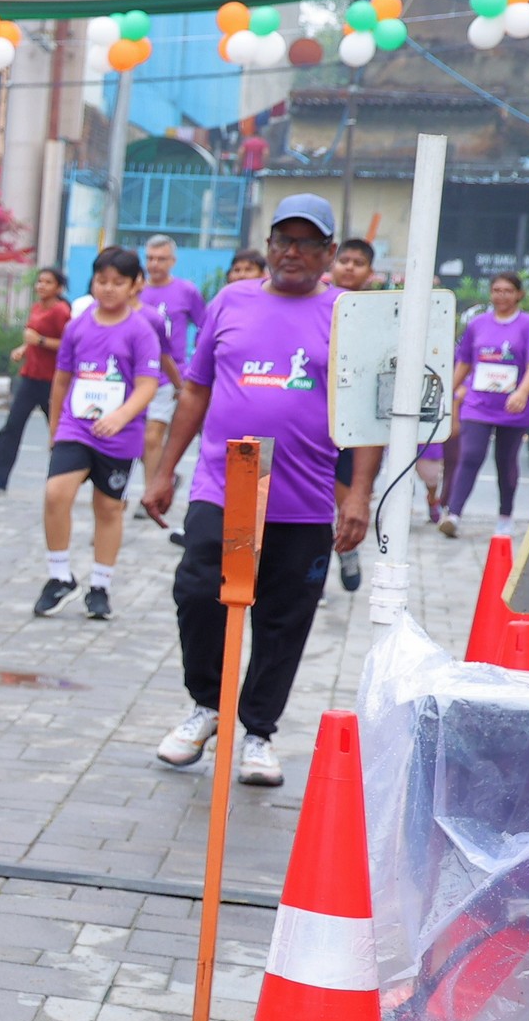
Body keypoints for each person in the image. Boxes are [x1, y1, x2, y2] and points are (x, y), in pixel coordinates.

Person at [142, 194, 382, 789]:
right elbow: (196, 390)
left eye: (306, 243)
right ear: (269, 245)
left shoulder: (348, 314)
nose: (291, 252)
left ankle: (258, 732)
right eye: (282, 240)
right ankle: (207, 705)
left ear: (329, 252)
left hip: (303, 498)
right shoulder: (232, 300)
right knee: (199, 592)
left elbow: (367, 414)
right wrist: (164, 470)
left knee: (283, 618)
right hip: (226, 486)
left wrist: (357, 496)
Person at [36, 248, 165, 620]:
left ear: (134, 285)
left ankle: (100, 585)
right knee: (56, 494)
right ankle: (60, 575)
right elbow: (62, 379)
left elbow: (147, 384)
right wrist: (55, 427)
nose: (108, 289)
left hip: (120, 436)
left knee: (108, 508)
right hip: (76, 427)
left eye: (118, 282)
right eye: (102, 281)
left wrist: (121, 417)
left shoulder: (141, 330)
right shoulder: (77, 326)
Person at [442, 271, 529, 538]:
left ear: (519, 294)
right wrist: (447, 392)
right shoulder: (478, 324)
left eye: (508, 291)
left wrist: (522, 392)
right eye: (497, 290)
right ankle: (453, 514)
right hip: (478, 403)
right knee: (470, 454)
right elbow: (464, 361)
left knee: (506, 461)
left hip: (512, 407)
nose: (501, 296)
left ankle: (505, 516)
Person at [0, 266, 71, 493]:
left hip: (52, 381)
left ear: (59, 288)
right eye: (40, 281)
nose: (41, 286)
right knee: (13, 426)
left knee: (58, 431)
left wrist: (40, 341)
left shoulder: (61, 311)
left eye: (48, 282)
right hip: (30, 377)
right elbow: (32, 337)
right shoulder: (37, 307)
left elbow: (69, 344)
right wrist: (24, 348)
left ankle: (63, 479)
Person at [135, 235, 204, 519]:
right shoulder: (136, 290)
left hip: (168, 374)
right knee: (139, 439)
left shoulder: (186, 291)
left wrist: (193, 365)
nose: (155, 264)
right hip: (136, 375)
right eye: (150, 258)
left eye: (161, 259)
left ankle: (149, 494)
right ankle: (166, 478)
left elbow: (205, 327)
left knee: (153, 436)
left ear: (173, 261)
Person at [327, 237, 380, 593]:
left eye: (357, 263)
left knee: (347, 491)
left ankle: (347, 547)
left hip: (358, 418)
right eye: (344, 260)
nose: (349, 267)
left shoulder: (375, 312)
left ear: (370, 272)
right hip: (317, 413)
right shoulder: (318, 302)